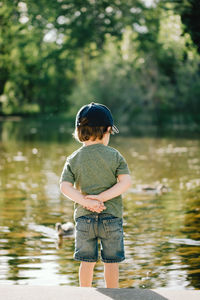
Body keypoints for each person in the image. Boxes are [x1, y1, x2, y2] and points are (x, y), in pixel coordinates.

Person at [60, 102, 132, 288]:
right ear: (107, 130)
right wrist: (102, 198)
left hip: (84, 218)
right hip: (111, 216)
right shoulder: (115, 155)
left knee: (87, 261)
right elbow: (125, 182)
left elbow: (65, 187)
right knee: (111, 262)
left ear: (78, 131)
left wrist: (85, 200)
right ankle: (113, 293)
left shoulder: (73, 158)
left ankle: (85, 294)